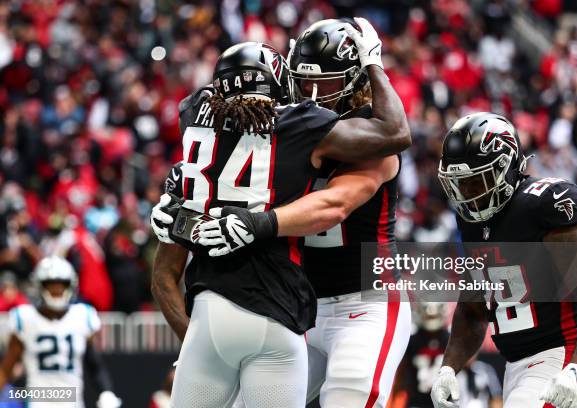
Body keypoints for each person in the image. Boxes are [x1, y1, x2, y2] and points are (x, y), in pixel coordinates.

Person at [151, 18, 410, 408]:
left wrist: (259, 223)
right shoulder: (278, 132)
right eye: (307, 82)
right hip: (298, 303)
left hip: (363, 302)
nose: (316, 95)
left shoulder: (365, 141)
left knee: (348, 398)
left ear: (356, 80)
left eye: (330, 82)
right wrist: (181, 204)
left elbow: (332, 205)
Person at [430, 112, 577, 408]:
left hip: (563, 351)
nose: (468, 195)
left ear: (506, 167)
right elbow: (475, 308)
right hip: (516, 366)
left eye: (476, 182)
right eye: (460, 185)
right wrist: (449, 366)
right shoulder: (473, 222)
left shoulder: (543, 203)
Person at [0, 256, 121, 408]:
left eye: (62, 284)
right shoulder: (25, 319)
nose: (57, 290)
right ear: (40, 286)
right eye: (50, 284)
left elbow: (94, 364)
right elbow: (6, 367)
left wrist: (106, 392)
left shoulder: (82, 316)